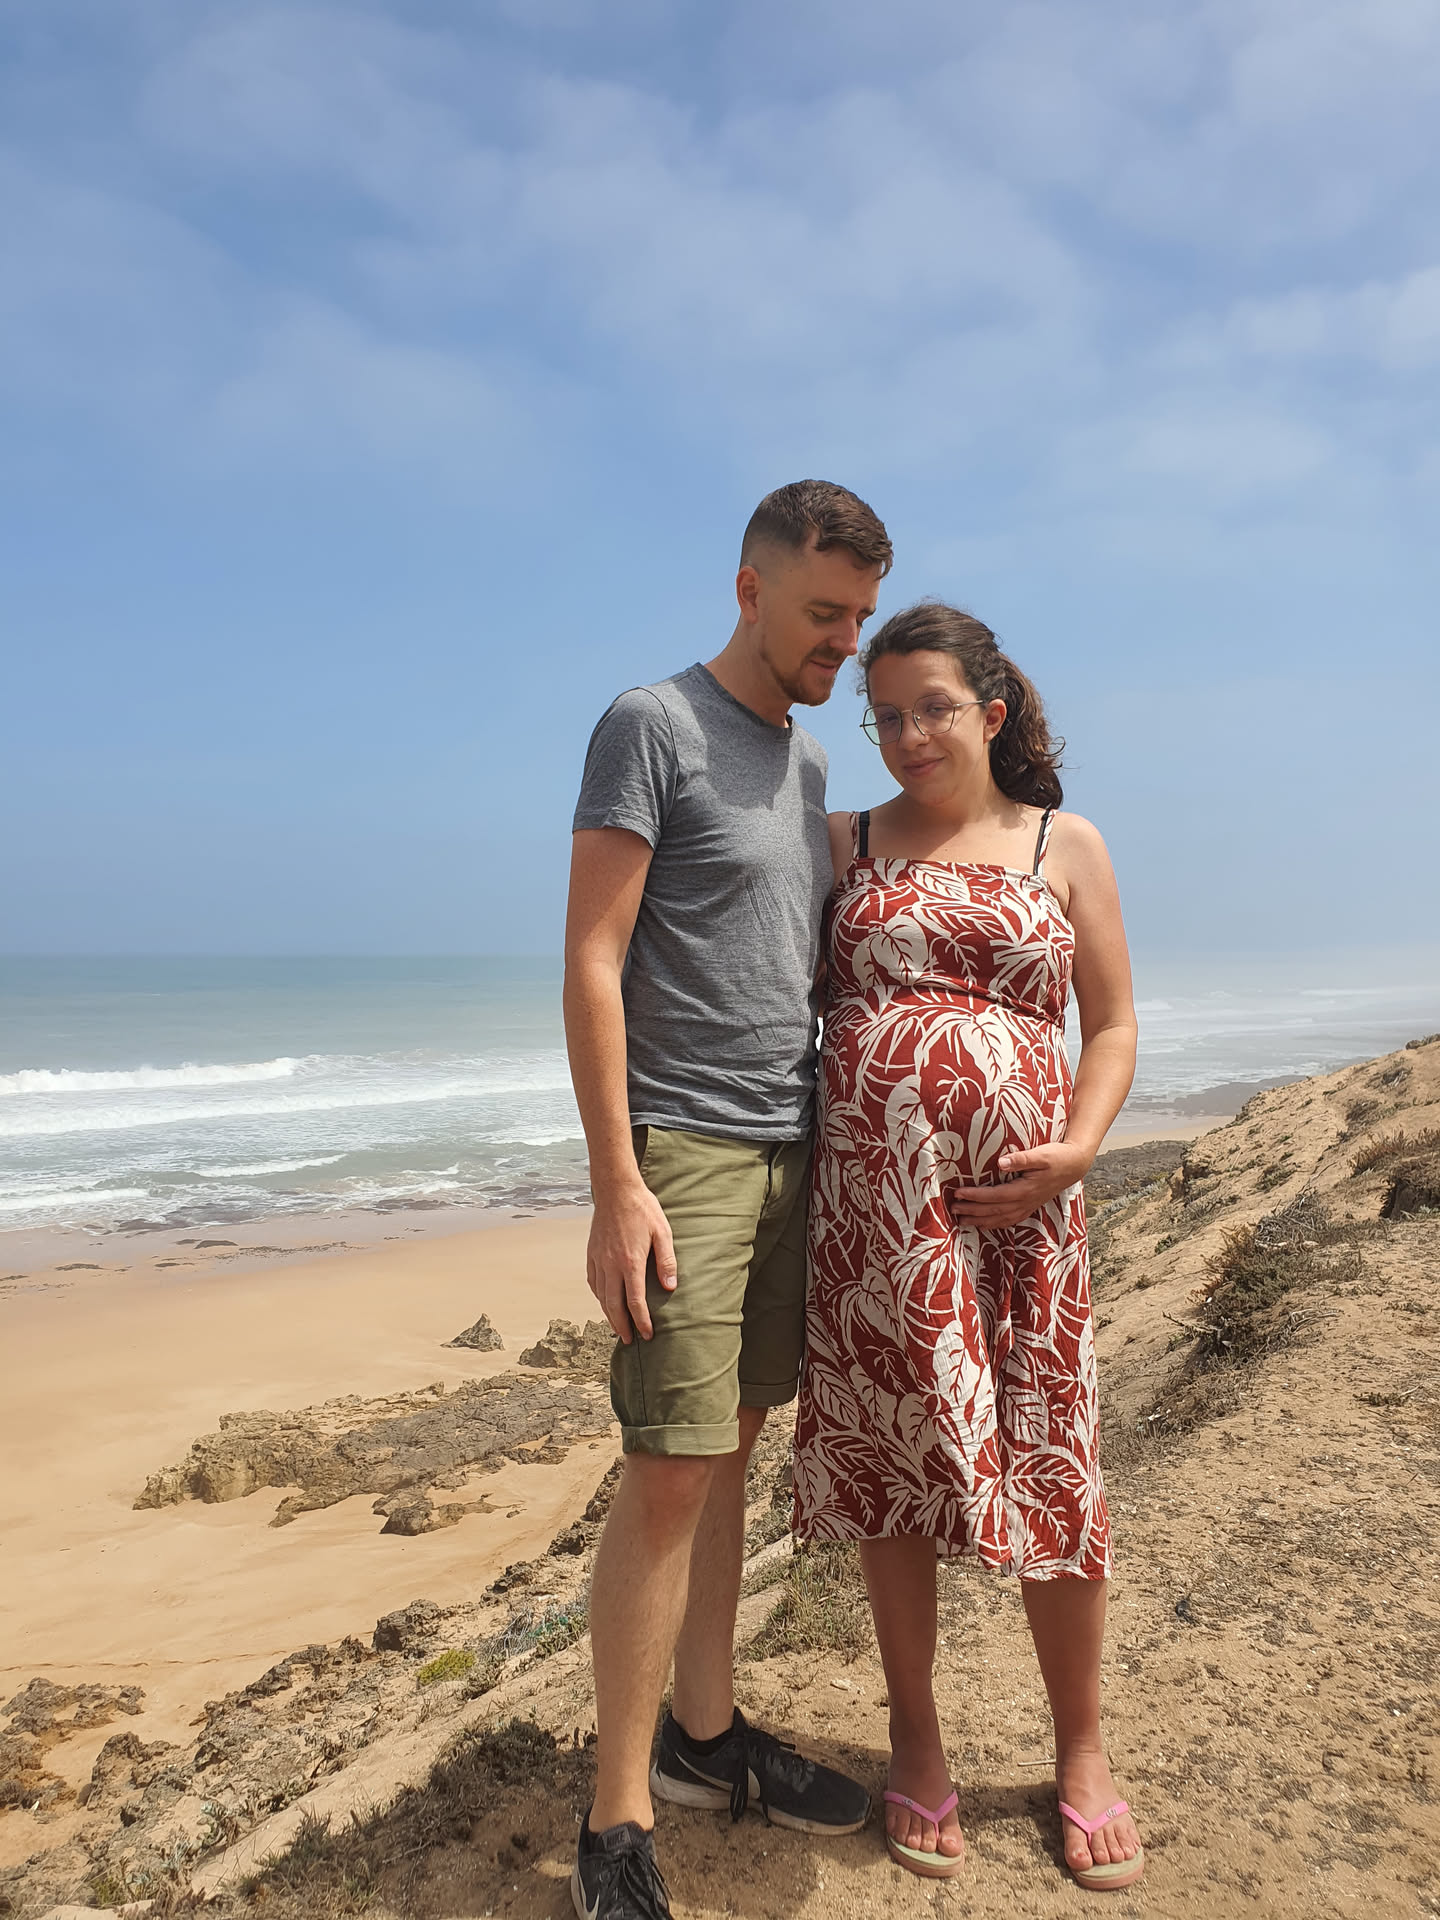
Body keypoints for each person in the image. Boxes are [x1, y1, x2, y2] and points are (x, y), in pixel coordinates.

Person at [563, 481, 893, 1920]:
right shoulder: (652, 725)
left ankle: (705, 1736)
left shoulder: (808, 763)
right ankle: (615, 1820)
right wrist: (616, 1183)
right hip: (685, 1149)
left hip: (789, 1145)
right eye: (824, 613)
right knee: (670, 1468)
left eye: (860, 618)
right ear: (749, 589)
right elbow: (592, 957)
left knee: (735, 1445)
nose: (844, 644)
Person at [792, 601, 1144, 1892]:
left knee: (1057, 1467)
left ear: (990, 713)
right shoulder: (843, 842)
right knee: (893, 1471)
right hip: (877, 1228)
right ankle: (917, 1736)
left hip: (1025, 1224)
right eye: (884, 715)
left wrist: (1079, 1147)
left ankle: (1082, 1753)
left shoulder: (1064, 843)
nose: (907, 736)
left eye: (933, 708)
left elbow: (1112, 1025)